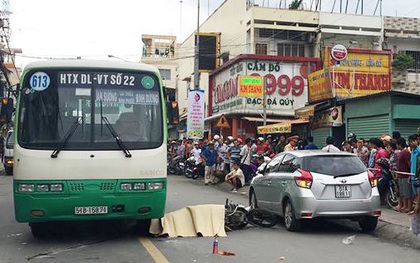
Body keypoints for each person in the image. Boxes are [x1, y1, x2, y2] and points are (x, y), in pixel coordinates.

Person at [395, 138, 412, 213]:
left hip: (405, 175)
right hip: (400, 175)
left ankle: (409, 207)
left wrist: (409, 174)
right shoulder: (401, 152)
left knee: (407, 192)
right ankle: (404, 206)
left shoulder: (406, 152)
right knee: (402, 192)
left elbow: (409, 164)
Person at [408, 134, 420, 215]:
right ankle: (415, 209)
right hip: (412, 175)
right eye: (410, 141)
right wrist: (410, 175)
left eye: (413, 141)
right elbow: (412, 163)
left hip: (417, 175)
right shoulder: (412, 151)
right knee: (414, 193)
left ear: (417, 141)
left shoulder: (419, 151)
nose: (412, 143)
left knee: (418, 193)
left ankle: (417, 209)